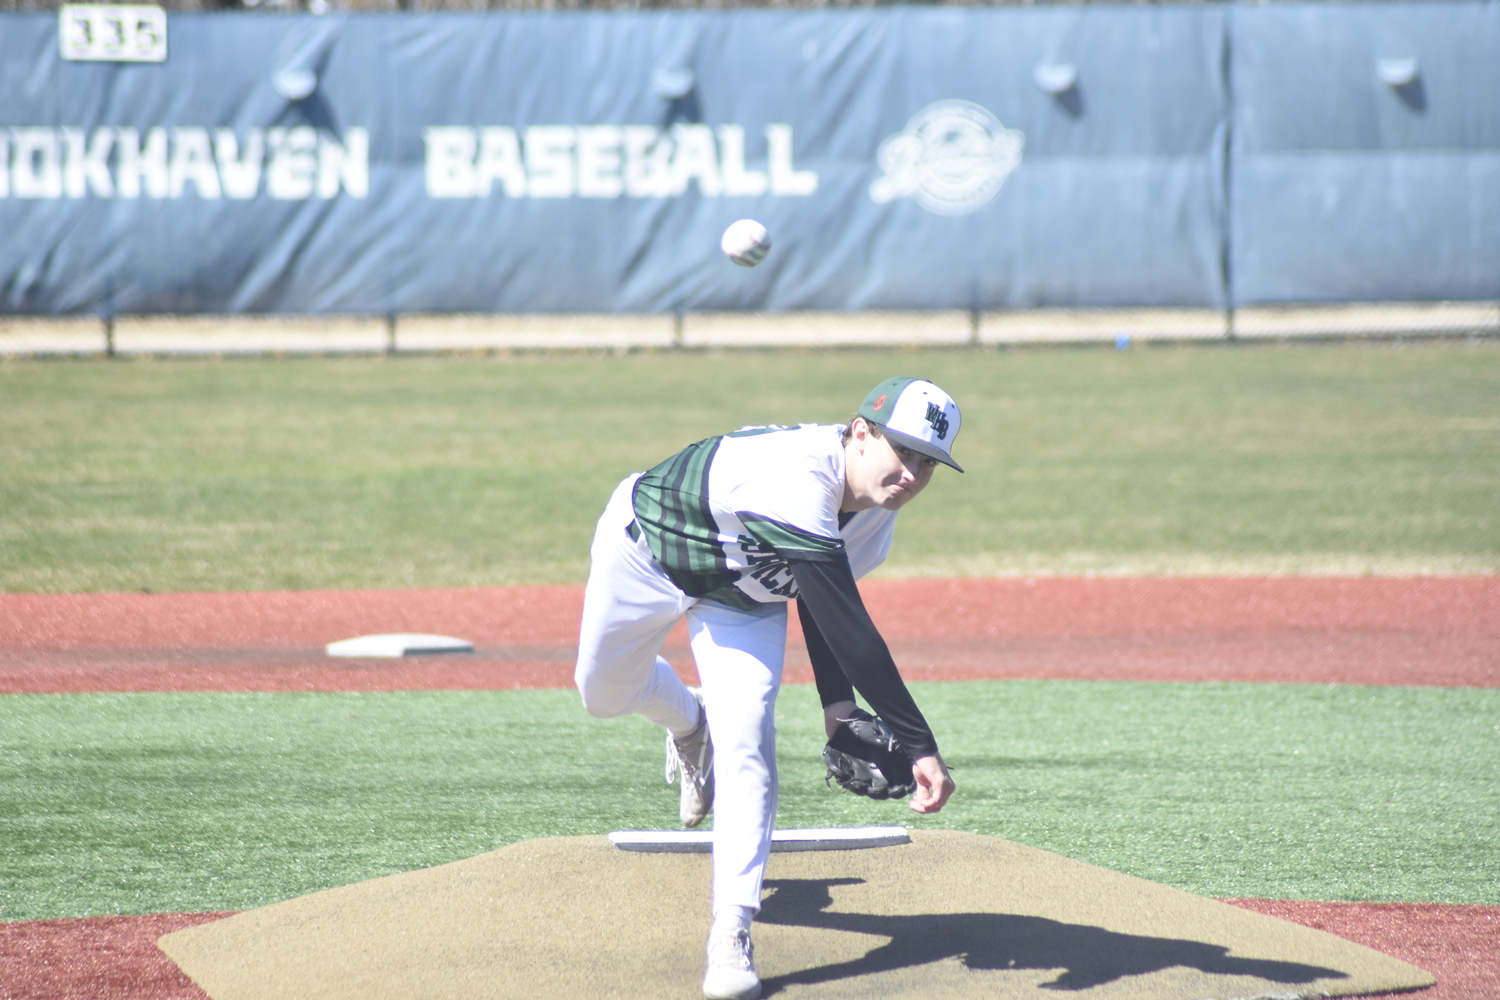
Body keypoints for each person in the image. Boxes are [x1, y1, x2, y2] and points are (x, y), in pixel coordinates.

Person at [574, 376, 961, 1000]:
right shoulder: (797, 475)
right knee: (601, 694)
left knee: (750, 734)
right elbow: (856, 635)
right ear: (860, 433)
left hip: (743, 600)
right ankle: (688, 724)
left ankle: (732, 927)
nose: (912, 474)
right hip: (648, 554)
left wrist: (839, 712)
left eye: (929, 463)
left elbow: (820, 599)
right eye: (904, 450)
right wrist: (920, 745)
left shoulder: (874, 521)